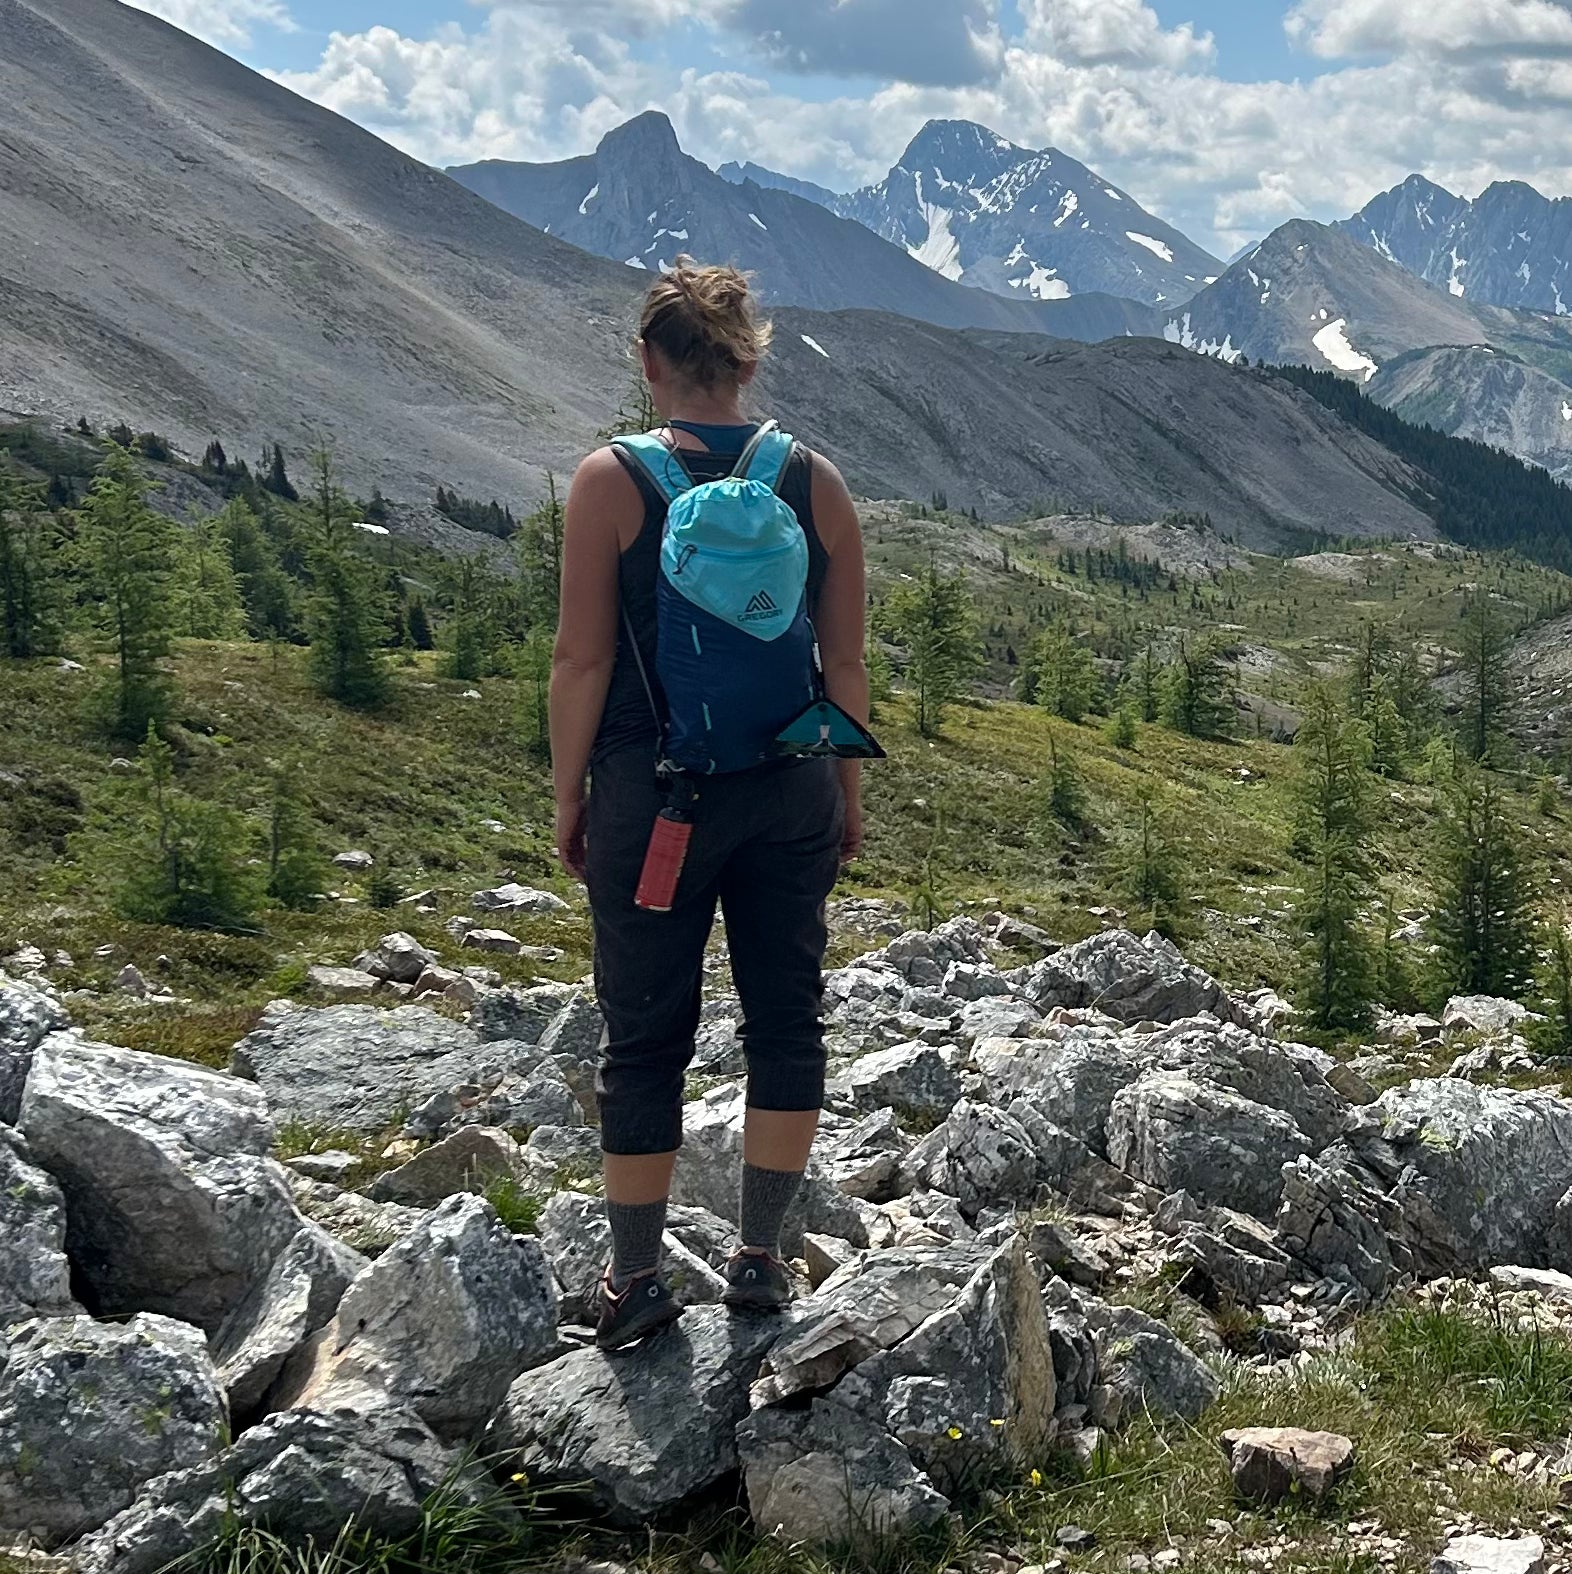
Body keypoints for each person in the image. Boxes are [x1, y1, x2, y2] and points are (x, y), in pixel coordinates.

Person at [550, 258, 870, 1351]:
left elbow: (582, 661)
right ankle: (761, 1260)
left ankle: (634, 1278)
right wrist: (847, 787)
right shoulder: (813, 481)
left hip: (656, 802)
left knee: (644, 1041)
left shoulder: (610, 483)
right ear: (747, 361)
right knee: (788, 1020)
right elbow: (847, 669)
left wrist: (571, 796)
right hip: (791, 790)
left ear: (649, 363)